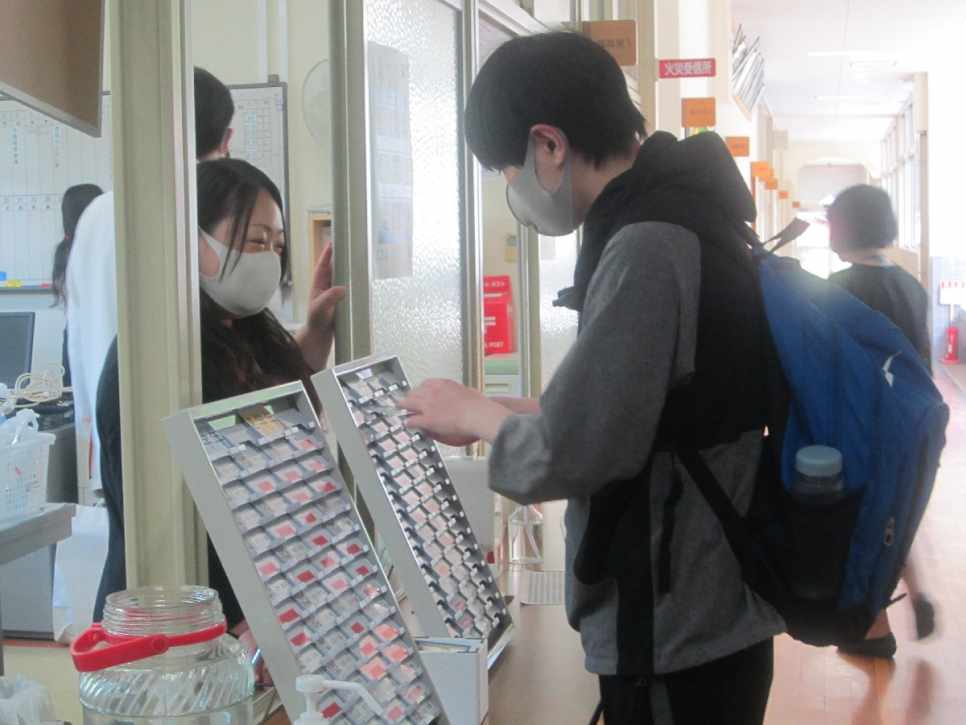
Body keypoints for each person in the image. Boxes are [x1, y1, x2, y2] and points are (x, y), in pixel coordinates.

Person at [401, 32, 784, 725]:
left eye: (506, 171)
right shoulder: (685, 211)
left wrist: (479, 417)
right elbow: (641, 412)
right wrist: (487, 405)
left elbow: (576, 449)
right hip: (707, 605)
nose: (512, 192)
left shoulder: (647, 244)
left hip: (675, 623)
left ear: (548, 144)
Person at [94, 158, 345, 684]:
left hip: (253, 625)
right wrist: (241, 619)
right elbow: (180, 510)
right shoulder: (158, 357)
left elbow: (276, 414)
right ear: (192, 240)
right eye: (254, 241)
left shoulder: (245, 330)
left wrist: (319, 327)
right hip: (183, 631)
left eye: (277, 245)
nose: (268, 259)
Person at [66, 67, 235, 497]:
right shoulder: (211, 212)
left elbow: (77, 337)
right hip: (193, 450)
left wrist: (91, 441)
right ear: (226, 140)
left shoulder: (97, 213)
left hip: (111, 440)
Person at [828, 184, 937, 658]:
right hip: (913, 424)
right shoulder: (911, 285)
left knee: (868, 524)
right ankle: (919, 592)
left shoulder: (839, 289)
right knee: (898, 514)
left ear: (845, 227)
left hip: (864, 427)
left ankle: (873, 631)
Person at [50, 183, 104, 386]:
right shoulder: (100, 247)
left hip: (76, 332)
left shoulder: (65, 251)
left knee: (74, 393)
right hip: (97, 332)